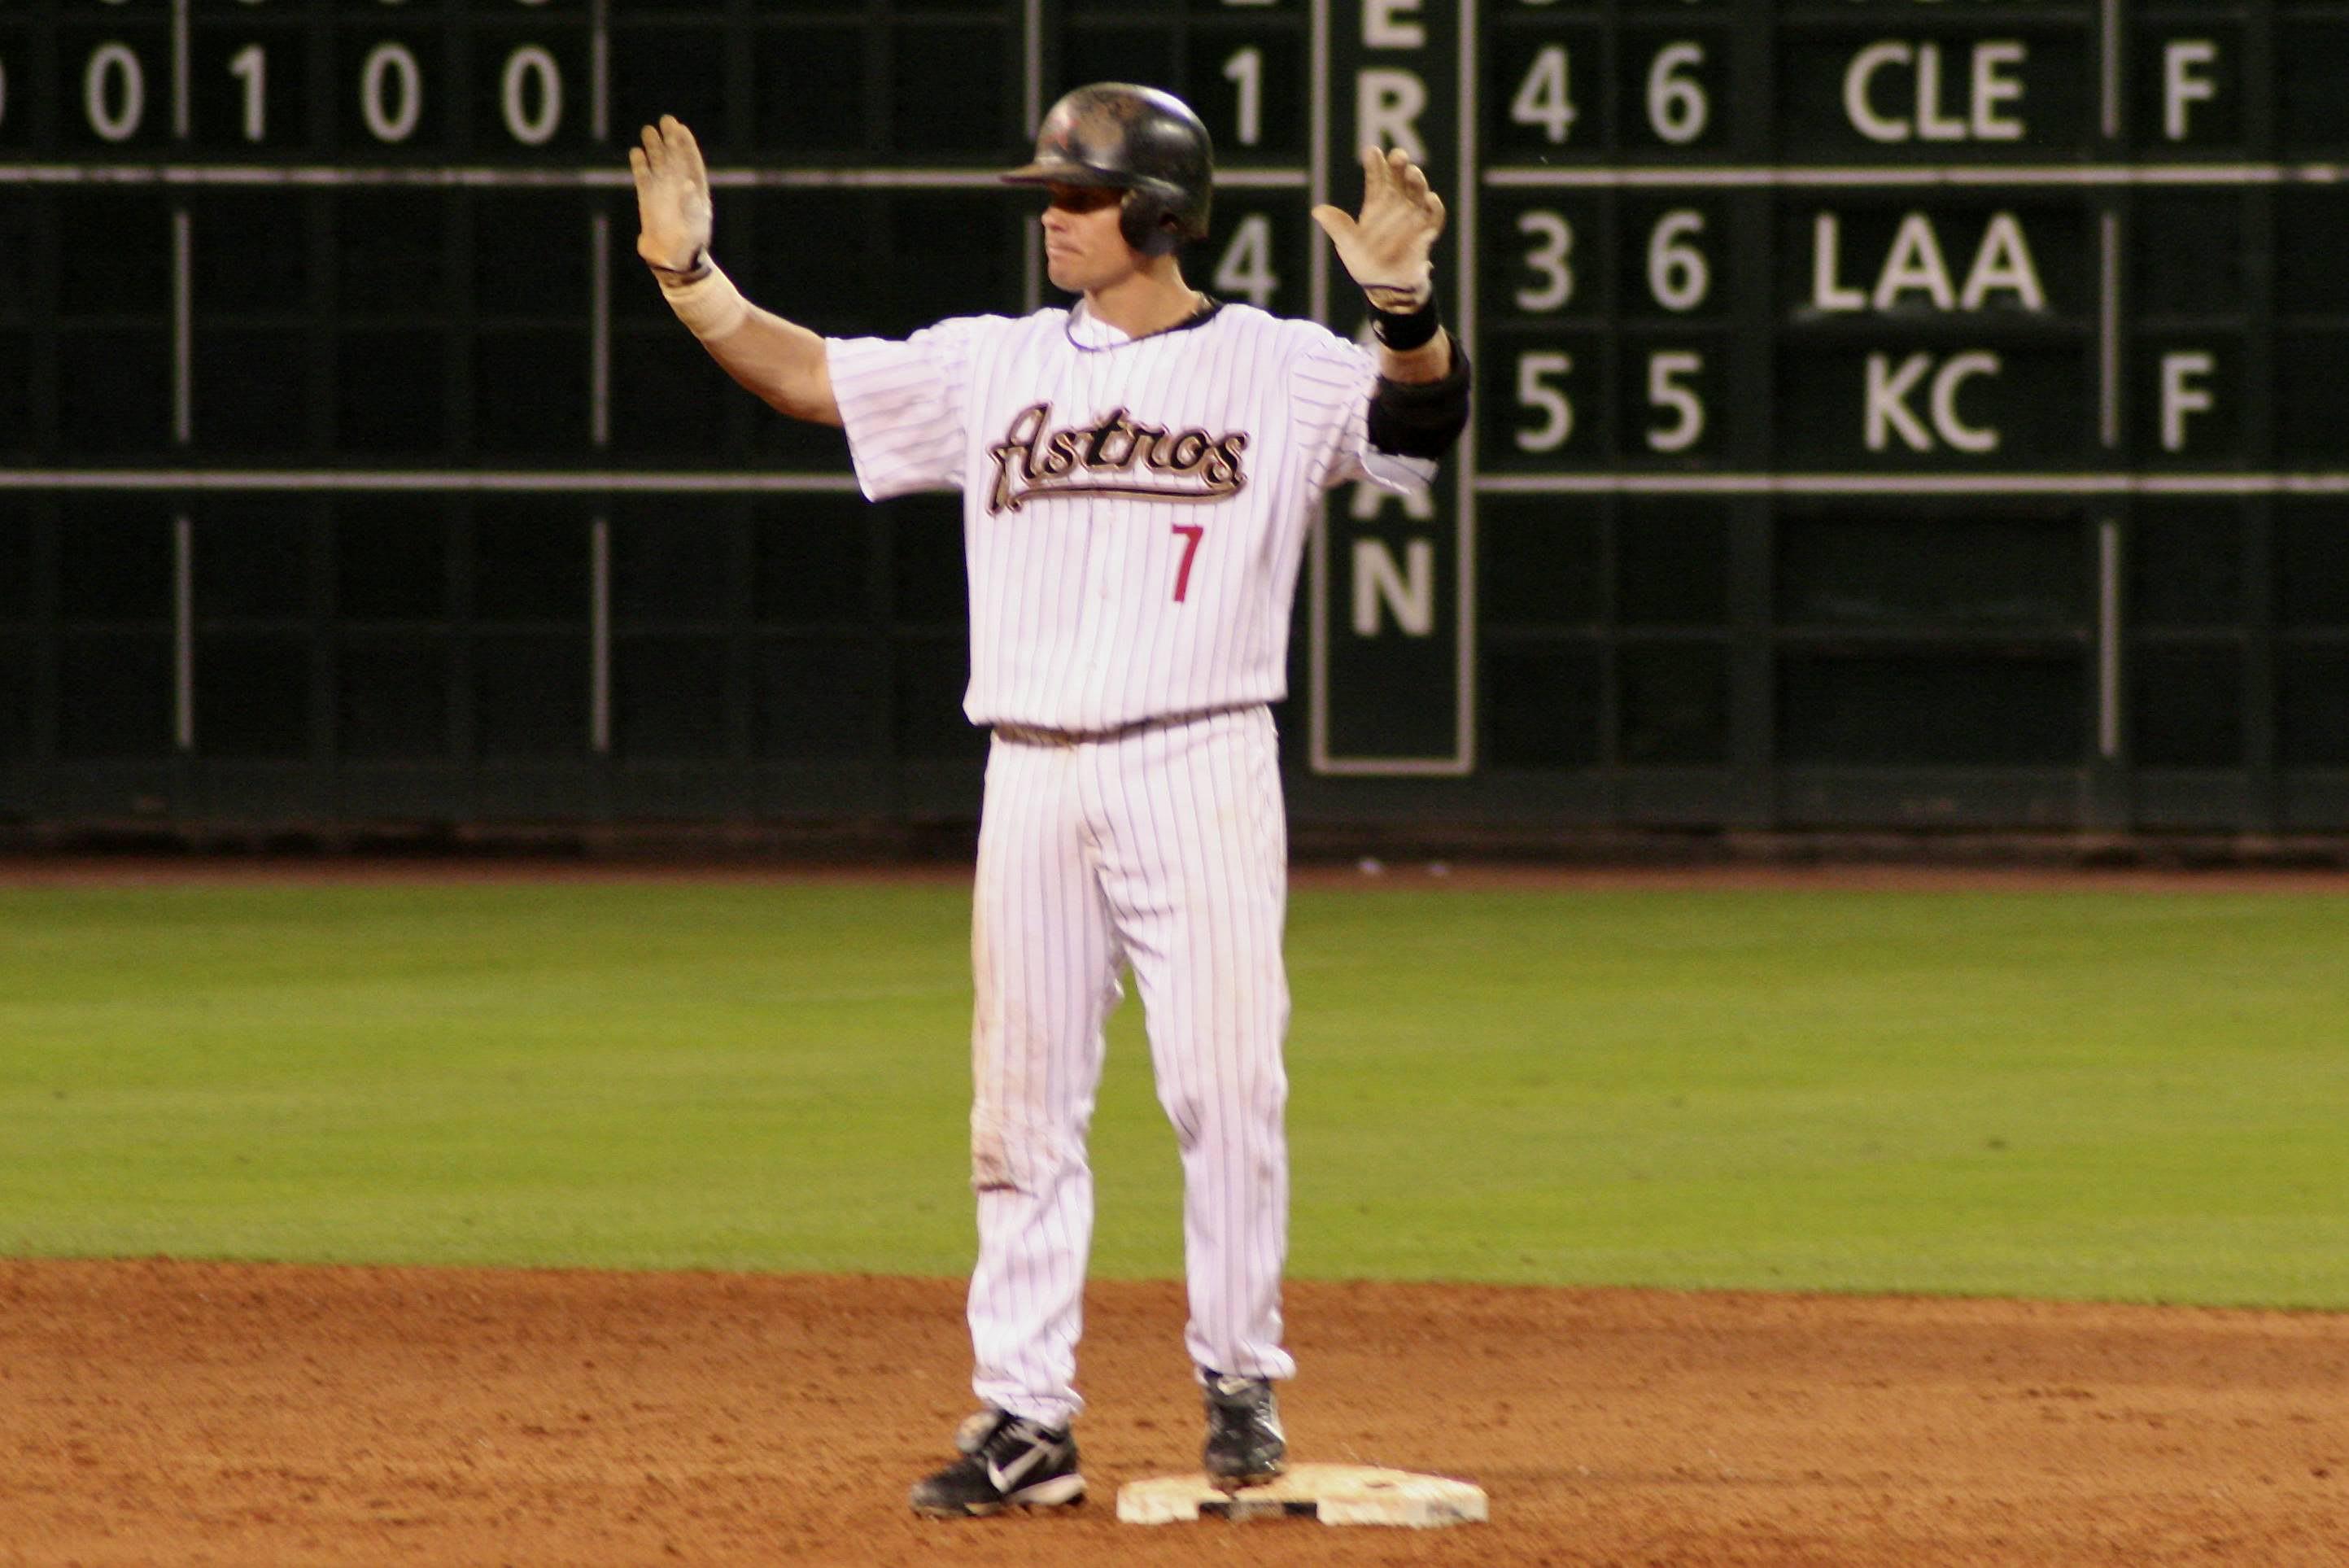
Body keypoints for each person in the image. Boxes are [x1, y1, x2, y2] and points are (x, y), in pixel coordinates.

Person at [629, 81, 1469, 1518]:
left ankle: (1239, 1385)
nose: (1054, 224)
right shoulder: (994, 363)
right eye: (1051, 200)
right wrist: (689, 278)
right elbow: (807, 376)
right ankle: (1025, 1417)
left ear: (1158, 215)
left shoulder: (1273, 364)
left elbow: (1422, 429)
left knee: (1226, 1089)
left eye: (1076, 201)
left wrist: (1399, 305)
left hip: (1199, 758)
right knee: (1018, 1116)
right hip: (1028, 768)